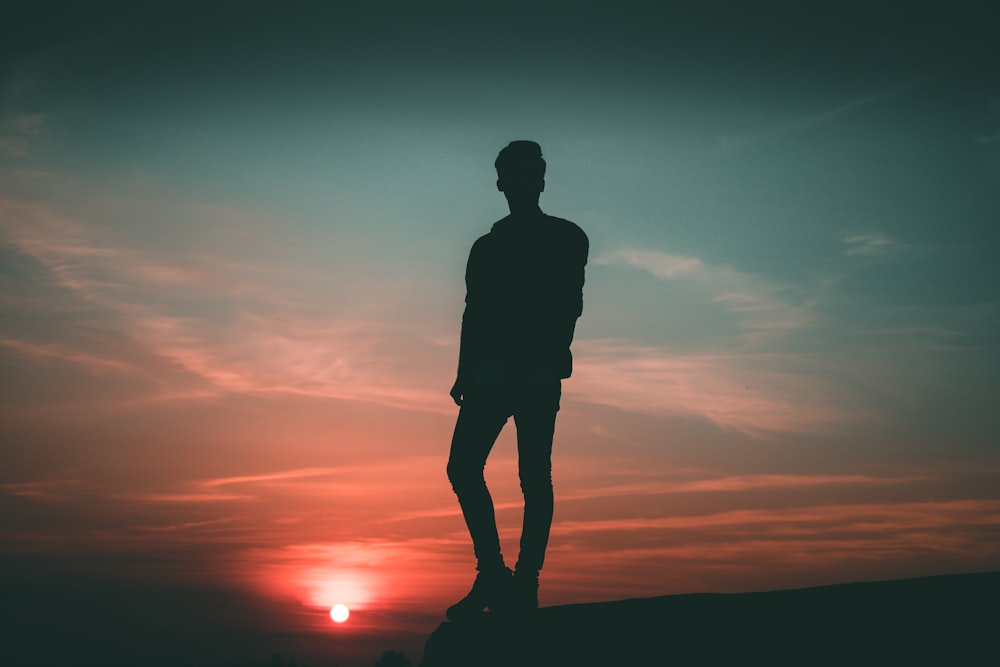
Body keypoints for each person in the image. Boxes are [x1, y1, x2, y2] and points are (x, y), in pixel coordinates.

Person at [445, 140, 588, 619]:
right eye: (513, 175)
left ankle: (524, 582)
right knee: (463, 468)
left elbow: (569, 305)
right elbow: (474, 312)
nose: (522, 183)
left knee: (533, 476)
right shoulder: (486, 247)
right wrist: (465, 371)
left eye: (530, 175)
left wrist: (544, 357)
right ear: (502, 182)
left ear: (540, 180)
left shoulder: (569, 238)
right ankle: (493, 574)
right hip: (489, 374)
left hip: (535, 373)